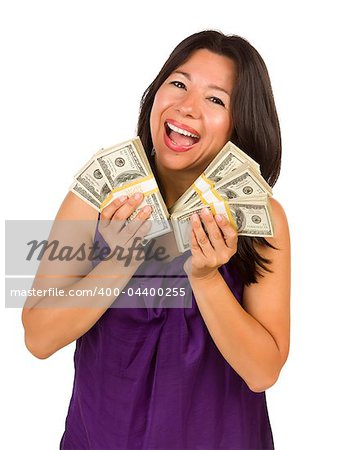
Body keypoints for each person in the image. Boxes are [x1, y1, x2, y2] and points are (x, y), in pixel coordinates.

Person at [22, 30, 291, 449]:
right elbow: (38, 338)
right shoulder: (96, 198)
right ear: (156, 93)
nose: (187, 107)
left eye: (215, 99)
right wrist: (122, 259)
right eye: (179, 84)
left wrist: (205, 278)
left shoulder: (262, 220)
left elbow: (262, 372)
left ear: (240, 122)